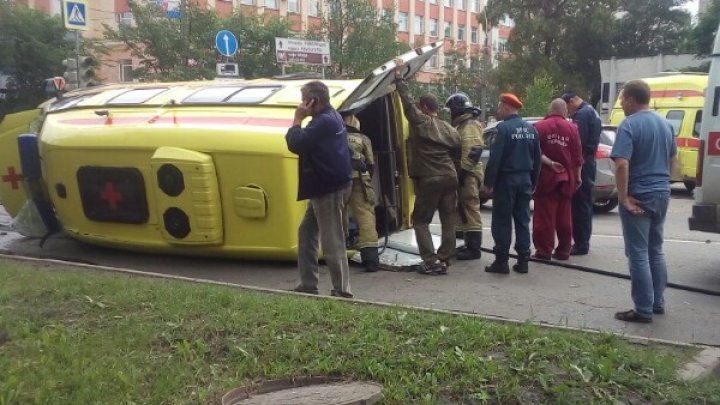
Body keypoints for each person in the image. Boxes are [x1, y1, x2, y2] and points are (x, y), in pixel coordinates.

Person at [610, 80, 676, 323]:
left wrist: (624, 196)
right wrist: (665, 185)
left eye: (622, 100)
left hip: (639, 194)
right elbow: (673, 160)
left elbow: (622, 163)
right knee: (655, 249)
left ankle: (643, 309)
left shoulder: (629, 125)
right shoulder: (665, 124)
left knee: (638, 252)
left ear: (629, 99)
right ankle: (657, 302)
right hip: (661, 193)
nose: (622, 105)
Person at [285, 81, 354, 298]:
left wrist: (297, 119)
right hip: (325, 186)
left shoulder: (323, 121)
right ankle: (308, 283)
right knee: (306, 233)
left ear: (312, 101)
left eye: (303, 98)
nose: (300, 103)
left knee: (332, 239)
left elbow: (296, 142)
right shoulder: (331, 116)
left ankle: (342, 290)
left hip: (327, 188)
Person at [394, 59, 461, 275]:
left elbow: (406, 102)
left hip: (430, 178)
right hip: (450, 176)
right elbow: (458, 155)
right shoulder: (450, 129)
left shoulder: (421, 122)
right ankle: (445, 257)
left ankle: (431, 261)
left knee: (421, 220)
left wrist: (398, 77)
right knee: (448, 219)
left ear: (424, 108)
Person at [483, 93, 541, 274]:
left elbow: (495, 158)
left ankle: (501, 261)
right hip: (525, 179)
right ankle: (523, 260)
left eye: (499, 107)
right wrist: (533, 182)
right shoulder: (531, 129)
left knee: (502, 220)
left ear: (507, 107)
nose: (498, 110)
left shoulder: (504, 129)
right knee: (523, 220)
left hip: (506, 180)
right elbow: (537, 158)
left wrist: (489, 182)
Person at [531, 99, 584, 260]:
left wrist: (550, 163)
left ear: (550, 109)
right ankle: (564, 250)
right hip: (567, 178)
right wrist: (578, 176)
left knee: (544, 217)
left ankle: (544, 250)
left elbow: (535, 153)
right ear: (565, 111)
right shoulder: (573, 128)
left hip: (546, 178)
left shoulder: (539, 127)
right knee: (564, 216)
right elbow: (577, 156)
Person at [445, 93, 485, 260]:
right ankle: (462, 244)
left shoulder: (468, 126)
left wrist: (461, 173)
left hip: (467, 175)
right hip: (463, 174)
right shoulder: (463, 125)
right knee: (461, 210)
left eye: (451, 111)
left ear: (457, 110)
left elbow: (472, 153)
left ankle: (474, 248)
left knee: (470, 209)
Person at [561, 91, 601, 256]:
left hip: (583, 164)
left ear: (571, 102)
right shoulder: (591, 110)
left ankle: (581, 243)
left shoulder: (582, 115)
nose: (569, 113)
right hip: (589, 162)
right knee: (584, 204)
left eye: (568, 109)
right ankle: (582, 242)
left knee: (580, 205)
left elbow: (578, 142)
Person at [343, 114, 380, 272]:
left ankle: (338, 253)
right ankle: (370, 259)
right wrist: (368, 179)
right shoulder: (363, 139)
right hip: (360, 181)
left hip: (339, 181)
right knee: (366, 217)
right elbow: (370, 163)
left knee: (338, 215)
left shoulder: (336, 137)